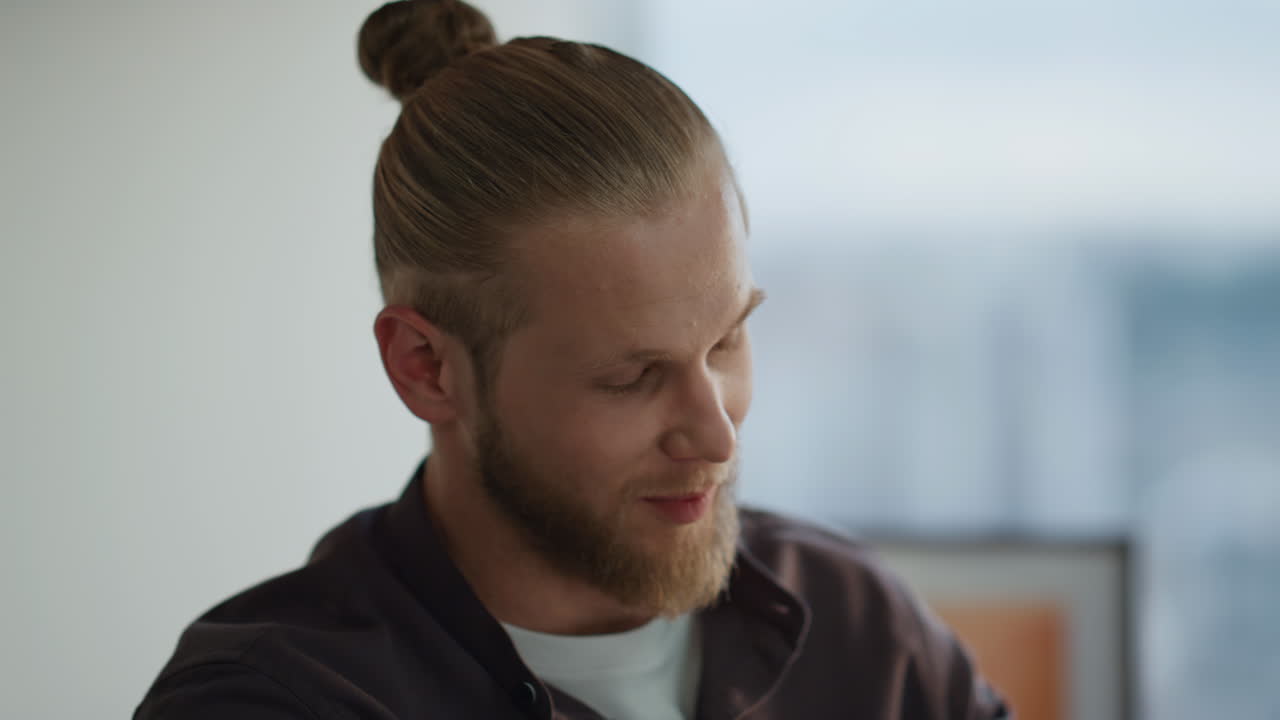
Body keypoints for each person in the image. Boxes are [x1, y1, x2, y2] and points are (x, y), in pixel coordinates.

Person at [135, 1, 1010, 718]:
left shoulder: (861, 630)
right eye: (630, 378)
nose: (716, 435)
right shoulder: (271, 701)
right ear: (425, 368)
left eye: (726, 341)